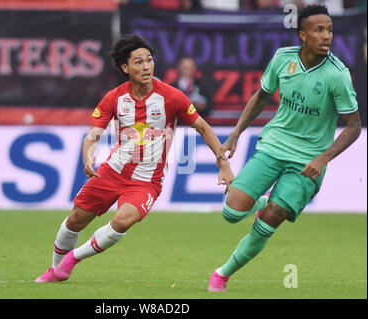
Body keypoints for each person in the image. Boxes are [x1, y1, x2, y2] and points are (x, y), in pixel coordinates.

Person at [35, 34, 235, 283]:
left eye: (149, 60)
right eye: (138, 62)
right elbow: (94, 133)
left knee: (123, 220)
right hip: (112, 171)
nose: (146, 66)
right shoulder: (114, 97)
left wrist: (224, 165)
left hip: (146, 180)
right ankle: (56, 271)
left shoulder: (172, 97)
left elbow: (204, 128)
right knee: (75, 220)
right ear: (125, 67)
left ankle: (72, 258)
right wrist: (88, 155)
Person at [208, 5, 361, 292]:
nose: (326, 35)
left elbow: (353, 127)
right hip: (273, 147)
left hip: (307, 162)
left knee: (271, 219)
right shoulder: (282, 59)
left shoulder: (337, 75)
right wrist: (236, 133)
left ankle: (221, 275)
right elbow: (262, 96)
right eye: (319, 30)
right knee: (231, 213)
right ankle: (263, 201)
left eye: (329, 29)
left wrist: (323, 158)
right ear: (303, 35)